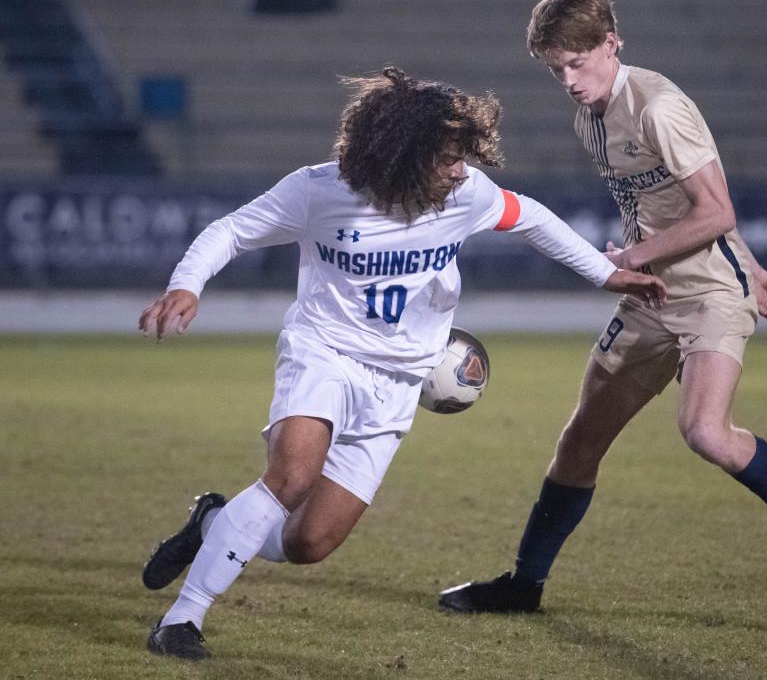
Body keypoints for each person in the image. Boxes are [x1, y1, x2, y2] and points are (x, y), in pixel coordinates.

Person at [138, 66, 667, 661]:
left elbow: (532, 219)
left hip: (399, 382)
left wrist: (605, 274)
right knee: (290, 479)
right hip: (325, 353)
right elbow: (230, 231)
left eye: (464, 156)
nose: (461, 170)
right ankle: (181, 621)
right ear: (402, 154)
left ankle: (213, 523)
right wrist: (187, 285)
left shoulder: (466, 194)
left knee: (310, 542)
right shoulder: (320, 192)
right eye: (447, 158)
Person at [438, 0, 767, 614]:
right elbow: (685, 207)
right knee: (579, 442)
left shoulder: (659, 107)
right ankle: (525, 584)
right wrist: (750, 262)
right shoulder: (589, 115)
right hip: (649, 294)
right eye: (557, 69)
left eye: (577, 63)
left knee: (704, 432)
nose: (569, 81)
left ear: (612, 43)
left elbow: (717, 210)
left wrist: (655, 259)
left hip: (711, 292)